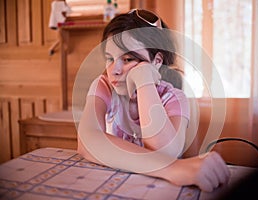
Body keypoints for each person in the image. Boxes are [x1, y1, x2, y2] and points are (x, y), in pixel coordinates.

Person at [77, 8, 230, 192]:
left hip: (161, 188)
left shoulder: (174, 98)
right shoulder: (104, 86)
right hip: (117, 185)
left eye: (127, 59)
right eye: (109, 58)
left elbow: (164, 152)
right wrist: (173, 168)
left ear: (157, 61)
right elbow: (87, 142)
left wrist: (144, 81)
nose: (114, 70)